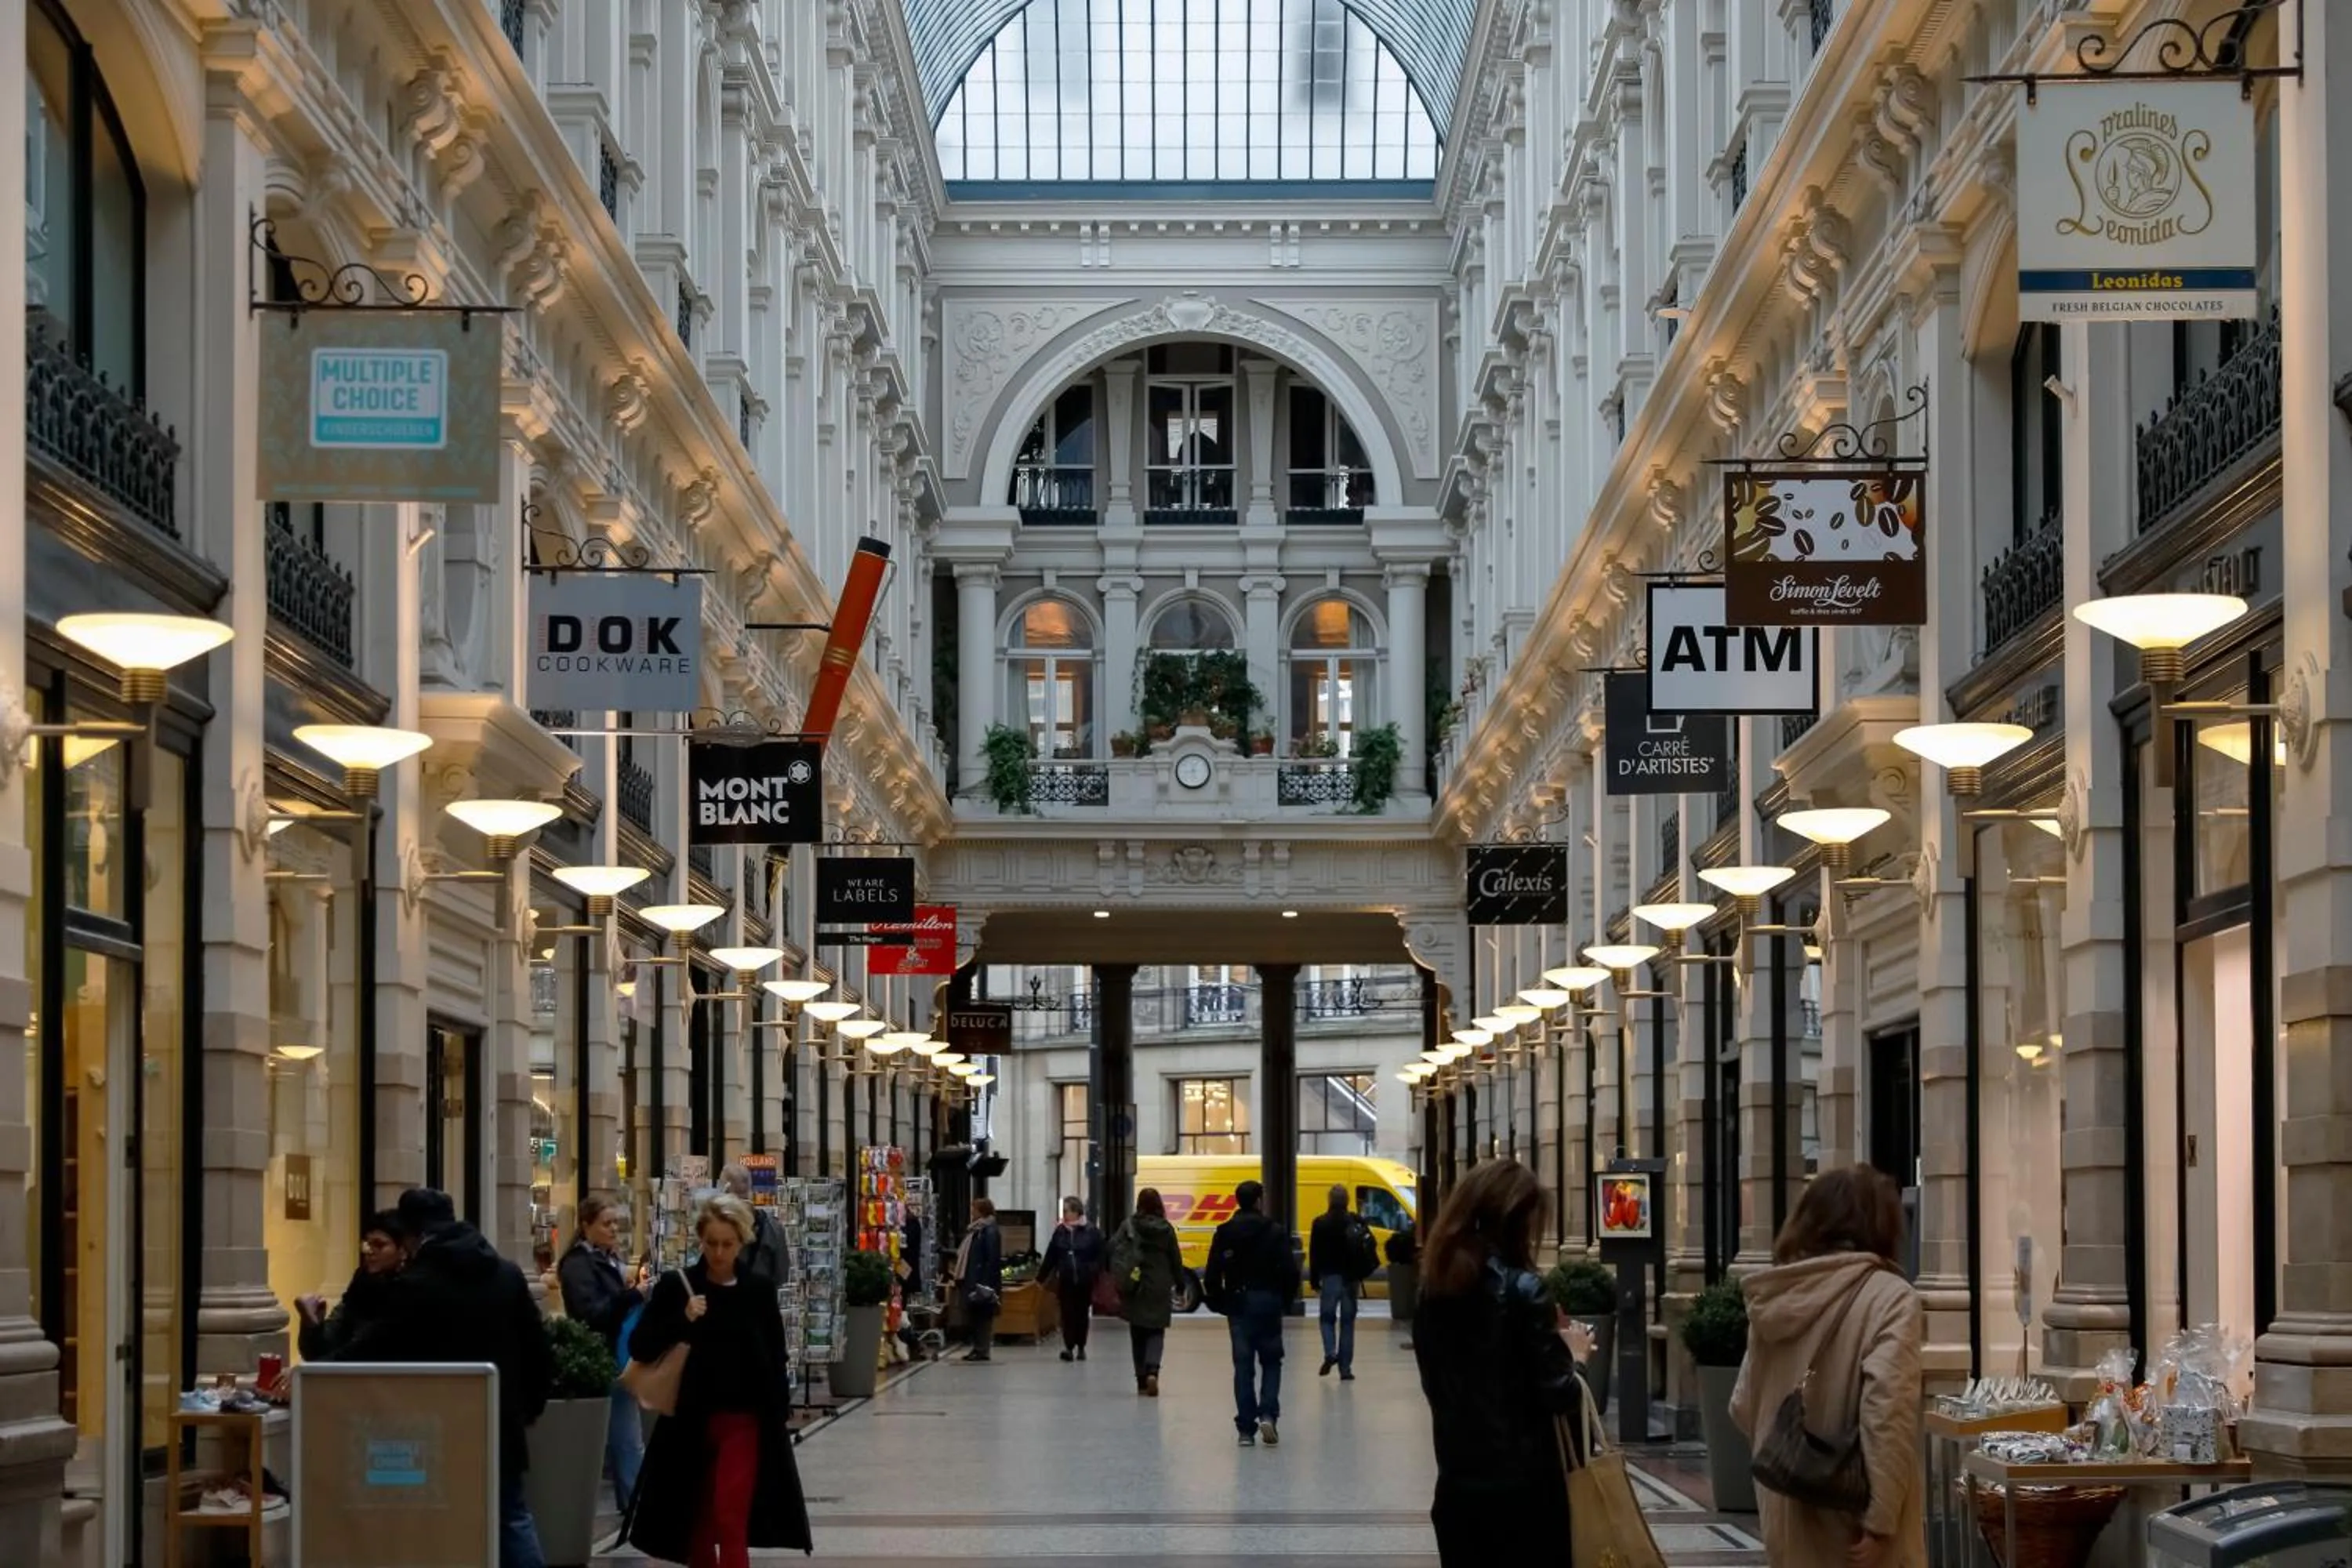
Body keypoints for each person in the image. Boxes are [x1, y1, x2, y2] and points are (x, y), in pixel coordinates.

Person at [325, 1188, 554, 1568]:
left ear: (413, 1235)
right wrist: (526, 1409)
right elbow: (538, 1351)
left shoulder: (417, 1285)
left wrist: (311, 1375)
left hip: (431, 1430)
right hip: (497, 1424)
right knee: (511, 1518)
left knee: (435, 1527)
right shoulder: (507, 1275)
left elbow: (374, 1346)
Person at [1731, 1163, 1926, 1568]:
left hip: (1787, 1515)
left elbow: (1743, 1406)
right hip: (1856, 1527)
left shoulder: (1776, 1293)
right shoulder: (1890, 1299)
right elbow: (1888, 1414)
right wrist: (1881, 1519)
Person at [1411, 1160, 1595, 1566]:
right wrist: (1575, 1355)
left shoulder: (1432, 1292)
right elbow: (1558, 1395)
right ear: (1516, 1222)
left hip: (1458, 1488)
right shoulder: (1523, 1290)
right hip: (1527, 1494)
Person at [625, 1193, 812, 1566]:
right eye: (711, 1243)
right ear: (700, 1240)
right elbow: (641, 1346)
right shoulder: (678, 1288)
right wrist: (683, 1319)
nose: (719, 1253)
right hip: (689, 1423)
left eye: (727, 1244)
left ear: (741, 1241)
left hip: (744, 1421)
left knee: (730, 1516)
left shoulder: (757, 1291)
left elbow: (776, 1355)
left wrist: (777, 1412)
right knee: (697, 1521)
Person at [557, 1194, 647, 1534]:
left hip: (617, 1355)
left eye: (616, 1224)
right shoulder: (579, 1265)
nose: (613, 1230)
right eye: (606, 1224)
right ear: (586, 1226)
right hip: (604, 1356)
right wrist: (633, 1296)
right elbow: (591, 1313)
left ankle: (634, 1503)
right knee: (625, 1437)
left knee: (625, 1436)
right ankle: (635, 1505)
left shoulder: (606, 1260)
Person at [1202, 1179, 1300, 1446]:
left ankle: (1246, 1429)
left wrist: (1220, 1301)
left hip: (1238, 1303)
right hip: (1268, 1301)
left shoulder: (1224, 1232)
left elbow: (1212, 1275)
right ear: (1258, 1201)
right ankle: (1268, 1413)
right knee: (1271, 1360)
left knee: (1243, 1366)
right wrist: (1286, 1300)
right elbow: (1290, 1271)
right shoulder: (1275, 1231)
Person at [293, 1208, 404, 1363]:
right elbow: (321, 1349)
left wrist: (308, 1371)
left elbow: (367, 1347)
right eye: (367, 1244)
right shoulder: (362, 1282)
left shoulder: (410, 1288)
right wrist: (312, 1324)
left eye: (379, 1245)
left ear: (402, 1250)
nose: (369, 1251)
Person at [1109, 1188, 1186, 1396]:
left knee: (1138, 1332)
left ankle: (1142, 1380)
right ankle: (1153, 1369)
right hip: (1160, 1284)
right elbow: (1175, 1259)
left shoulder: (1130, 1225)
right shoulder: (1166, 1229)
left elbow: (1113, 1249)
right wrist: (1180, 1284)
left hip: (1135, 1282)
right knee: (1156, 1331)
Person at [1307, 1184, 1365, 1381]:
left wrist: (1314, 1279)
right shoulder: (1355, 1222)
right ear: (1347, 1200)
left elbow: (1314, 1254)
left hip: (1330, 1276)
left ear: (1329, 1200)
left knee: (1326, 1318)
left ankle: (1330, 1351)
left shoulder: (1320, 1223)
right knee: (1348, 1323)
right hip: (1351, 1279)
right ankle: (1346, 1369)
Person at [1040, 1196, 1106, 1363]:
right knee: (1067, 1314)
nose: (1064, 1214)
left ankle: (1081, 1346)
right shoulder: (1060, 1232)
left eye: (1067, 1211)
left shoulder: (1091, 1231)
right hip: (1066, 1279)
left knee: (1081, 1314)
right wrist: (1041, 1277)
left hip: (1084, 1280)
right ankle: (1069, 1347)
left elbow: (1101, 1255)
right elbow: (1051, 1255)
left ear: (1076, 1212)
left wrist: (1093, 1269)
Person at [720, 1162, 791, 1290]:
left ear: (726, 1190)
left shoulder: (718, 1227)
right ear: (750, 1189)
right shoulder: (774, 1227)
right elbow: (782, 1275)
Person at [951, 1198, 1005, 1362]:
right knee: (975, 1315)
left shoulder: (989, 1231)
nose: (971, 1212)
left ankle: (982, 1349)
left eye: (974, 1209)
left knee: (983, 1316)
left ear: (982, 1211)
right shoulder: (977, 1231)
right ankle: (977, 1348)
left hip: (982, 1281)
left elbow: (991, 1258)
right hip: (972, 1279)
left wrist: (985, 1283)